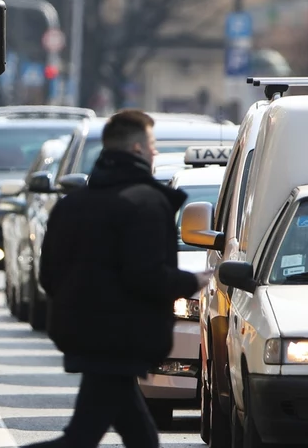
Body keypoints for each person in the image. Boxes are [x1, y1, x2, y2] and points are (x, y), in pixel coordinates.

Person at [27, 110, 211, 448]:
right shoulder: (146, 203)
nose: (155, 152)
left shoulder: (72, 205)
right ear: (139, 149)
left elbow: (47, 276)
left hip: (88, 336)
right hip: (121, 340)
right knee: (81, 438)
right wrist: (192, 281)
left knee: (139, 437)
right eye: (153, 145)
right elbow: (147, 276)